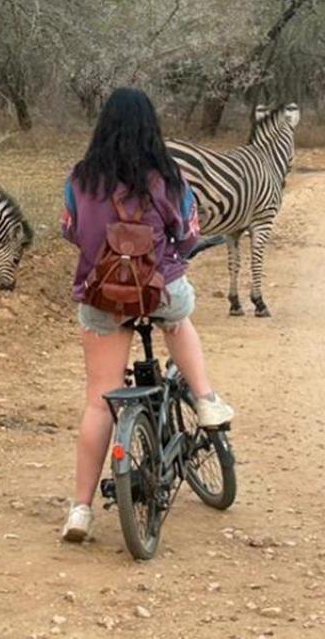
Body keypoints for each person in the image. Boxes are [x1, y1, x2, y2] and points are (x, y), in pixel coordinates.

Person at [58, 87, 234, 543]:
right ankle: (205, 400)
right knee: (179, 318)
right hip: (159, 290)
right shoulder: (167, 178)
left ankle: (79, 510)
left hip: (102, 297)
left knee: (100, 399)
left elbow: (70, 232)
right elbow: (188, 232)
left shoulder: (81, 179)